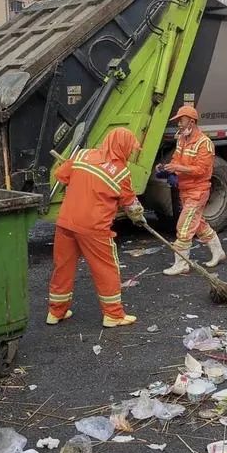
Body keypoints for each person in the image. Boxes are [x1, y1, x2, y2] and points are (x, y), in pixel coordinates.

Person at [47, 128, 146, 328]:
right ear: (123, 147)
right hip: (94, 229)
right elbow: (131, 205)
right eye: (129, 148)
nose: (130, 152)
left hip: (66, 222)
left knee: (63, 267)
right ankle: (113, 315)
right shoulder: (121, 173)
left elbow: (60, 176)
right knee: (106, 269)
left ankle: (55, 312)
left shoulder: (82, 155)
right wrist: (139, 217)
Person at [159, 105, 225, 275]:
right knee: (198, 224)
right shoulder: (181, 139)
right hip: (185, 190)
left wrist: (178, 168)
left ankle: (182, 264)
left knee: (184, 226)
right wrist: (168, 170)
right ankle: (218, 252)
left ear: (192, 121)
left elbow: (202, 170)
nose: (179, 124)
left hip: (198, 191)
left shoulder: (205, 143)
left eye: (181, 120)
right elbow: (176, 159)